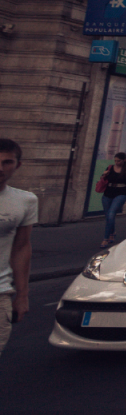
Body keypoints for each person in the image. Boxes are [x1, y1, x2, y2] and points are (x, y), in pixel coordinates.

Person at [0, 139, 37, 358]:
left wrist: (22, 295)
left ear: (17, 165)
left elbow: (22, 248)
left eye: (7, 162)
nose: (0, 168)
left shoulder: (25, 201)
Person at [99, 152, 126, 248]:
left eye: (118, 161)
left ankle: (105, 239)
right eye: (115, 160)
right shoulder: (110, 168)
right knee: (108, 216)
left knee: (111, 214)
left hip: (121, 193)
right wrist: (103, 175)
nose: (116, 162)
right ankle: (112, 233)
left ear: (124, 160)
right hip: (108, 193)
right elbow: (103, 179)